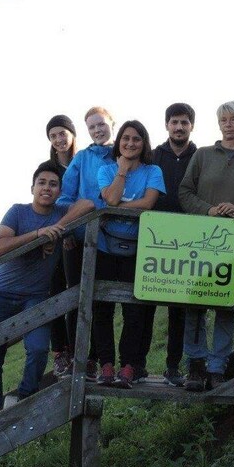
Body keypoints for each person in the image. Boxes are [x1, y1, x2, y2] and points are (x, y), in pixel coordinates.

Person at [0, 162, 94, 417]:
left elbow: (88, 204)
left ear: (59, 191)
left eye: (53, 184)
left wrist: (57, 229)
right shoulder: (17, 212)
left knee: (39, 348)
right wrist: (39, 234)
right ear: (32, 187)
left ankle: (25, 398)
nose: (47, 188)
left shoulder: (61, 212)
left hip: (35, 297)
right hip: (0, 293)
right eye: (42, 182)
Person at [178, 101, 234, 391]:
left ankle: (218, 366)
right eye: (224, 119)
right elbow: (184, 192)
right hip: (199, 240)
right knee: (195, 303)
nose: (228, 124)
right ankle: (196, 364)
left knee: (225, 303)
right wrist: (208, 210)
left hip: (233, 242)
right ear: (218, 123)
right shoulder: (201, 155)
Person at [97, 120, 165, 388]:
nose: (130, 143)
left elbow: (148, 203)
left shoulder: (153, 170)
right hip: (104, 247)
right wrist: (122, 172)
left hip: (139, 249)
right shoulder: (106, 170)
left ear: (144, 143)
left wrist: (119, 204)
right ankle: (105, 364)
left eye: (136, 139)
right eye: (125, 138)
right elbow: (111, 200)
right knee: (102, 308)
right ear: (119, 141)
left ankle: (128, 366)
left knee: (134, 311)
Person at [57, 106, 116, 381]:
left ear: (111, 124)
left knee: (103, 303)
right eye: (91, 127)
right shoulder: (81, 158)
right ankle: (75, 358)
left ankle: (99, 360)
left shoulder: (123, 155)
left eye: (101, 124)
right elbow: (65, 198)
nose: (97, 130)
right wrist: (68, 231)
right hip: (78, 241)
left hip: (112, 241)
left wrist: (106, 212)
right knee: (76, 299)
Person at [152, 103, 197, 387]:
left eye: (184, 122)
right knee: (144, 302)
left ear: (192, 126)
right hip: (155, 235)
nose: (179, 127)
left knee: (181, 307)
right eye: (174, 122)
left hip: (190, 237)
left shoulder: (201, 155)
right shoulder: (154, 155)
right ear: (166, 125)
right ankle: (135, 365)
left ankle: (174, 367)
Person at [42, 115, 78, 378]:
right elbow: (45, 201)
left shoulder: (83, 162)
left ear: (72, 135)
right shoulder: (47, 168)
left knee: (76, 293)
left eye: (62, 133)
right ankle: (60, 352)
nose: (59, 139)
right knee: (55, 293)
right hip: (55, 238)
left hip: (80, 237)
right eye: (53, 136)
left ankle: (79, 350)